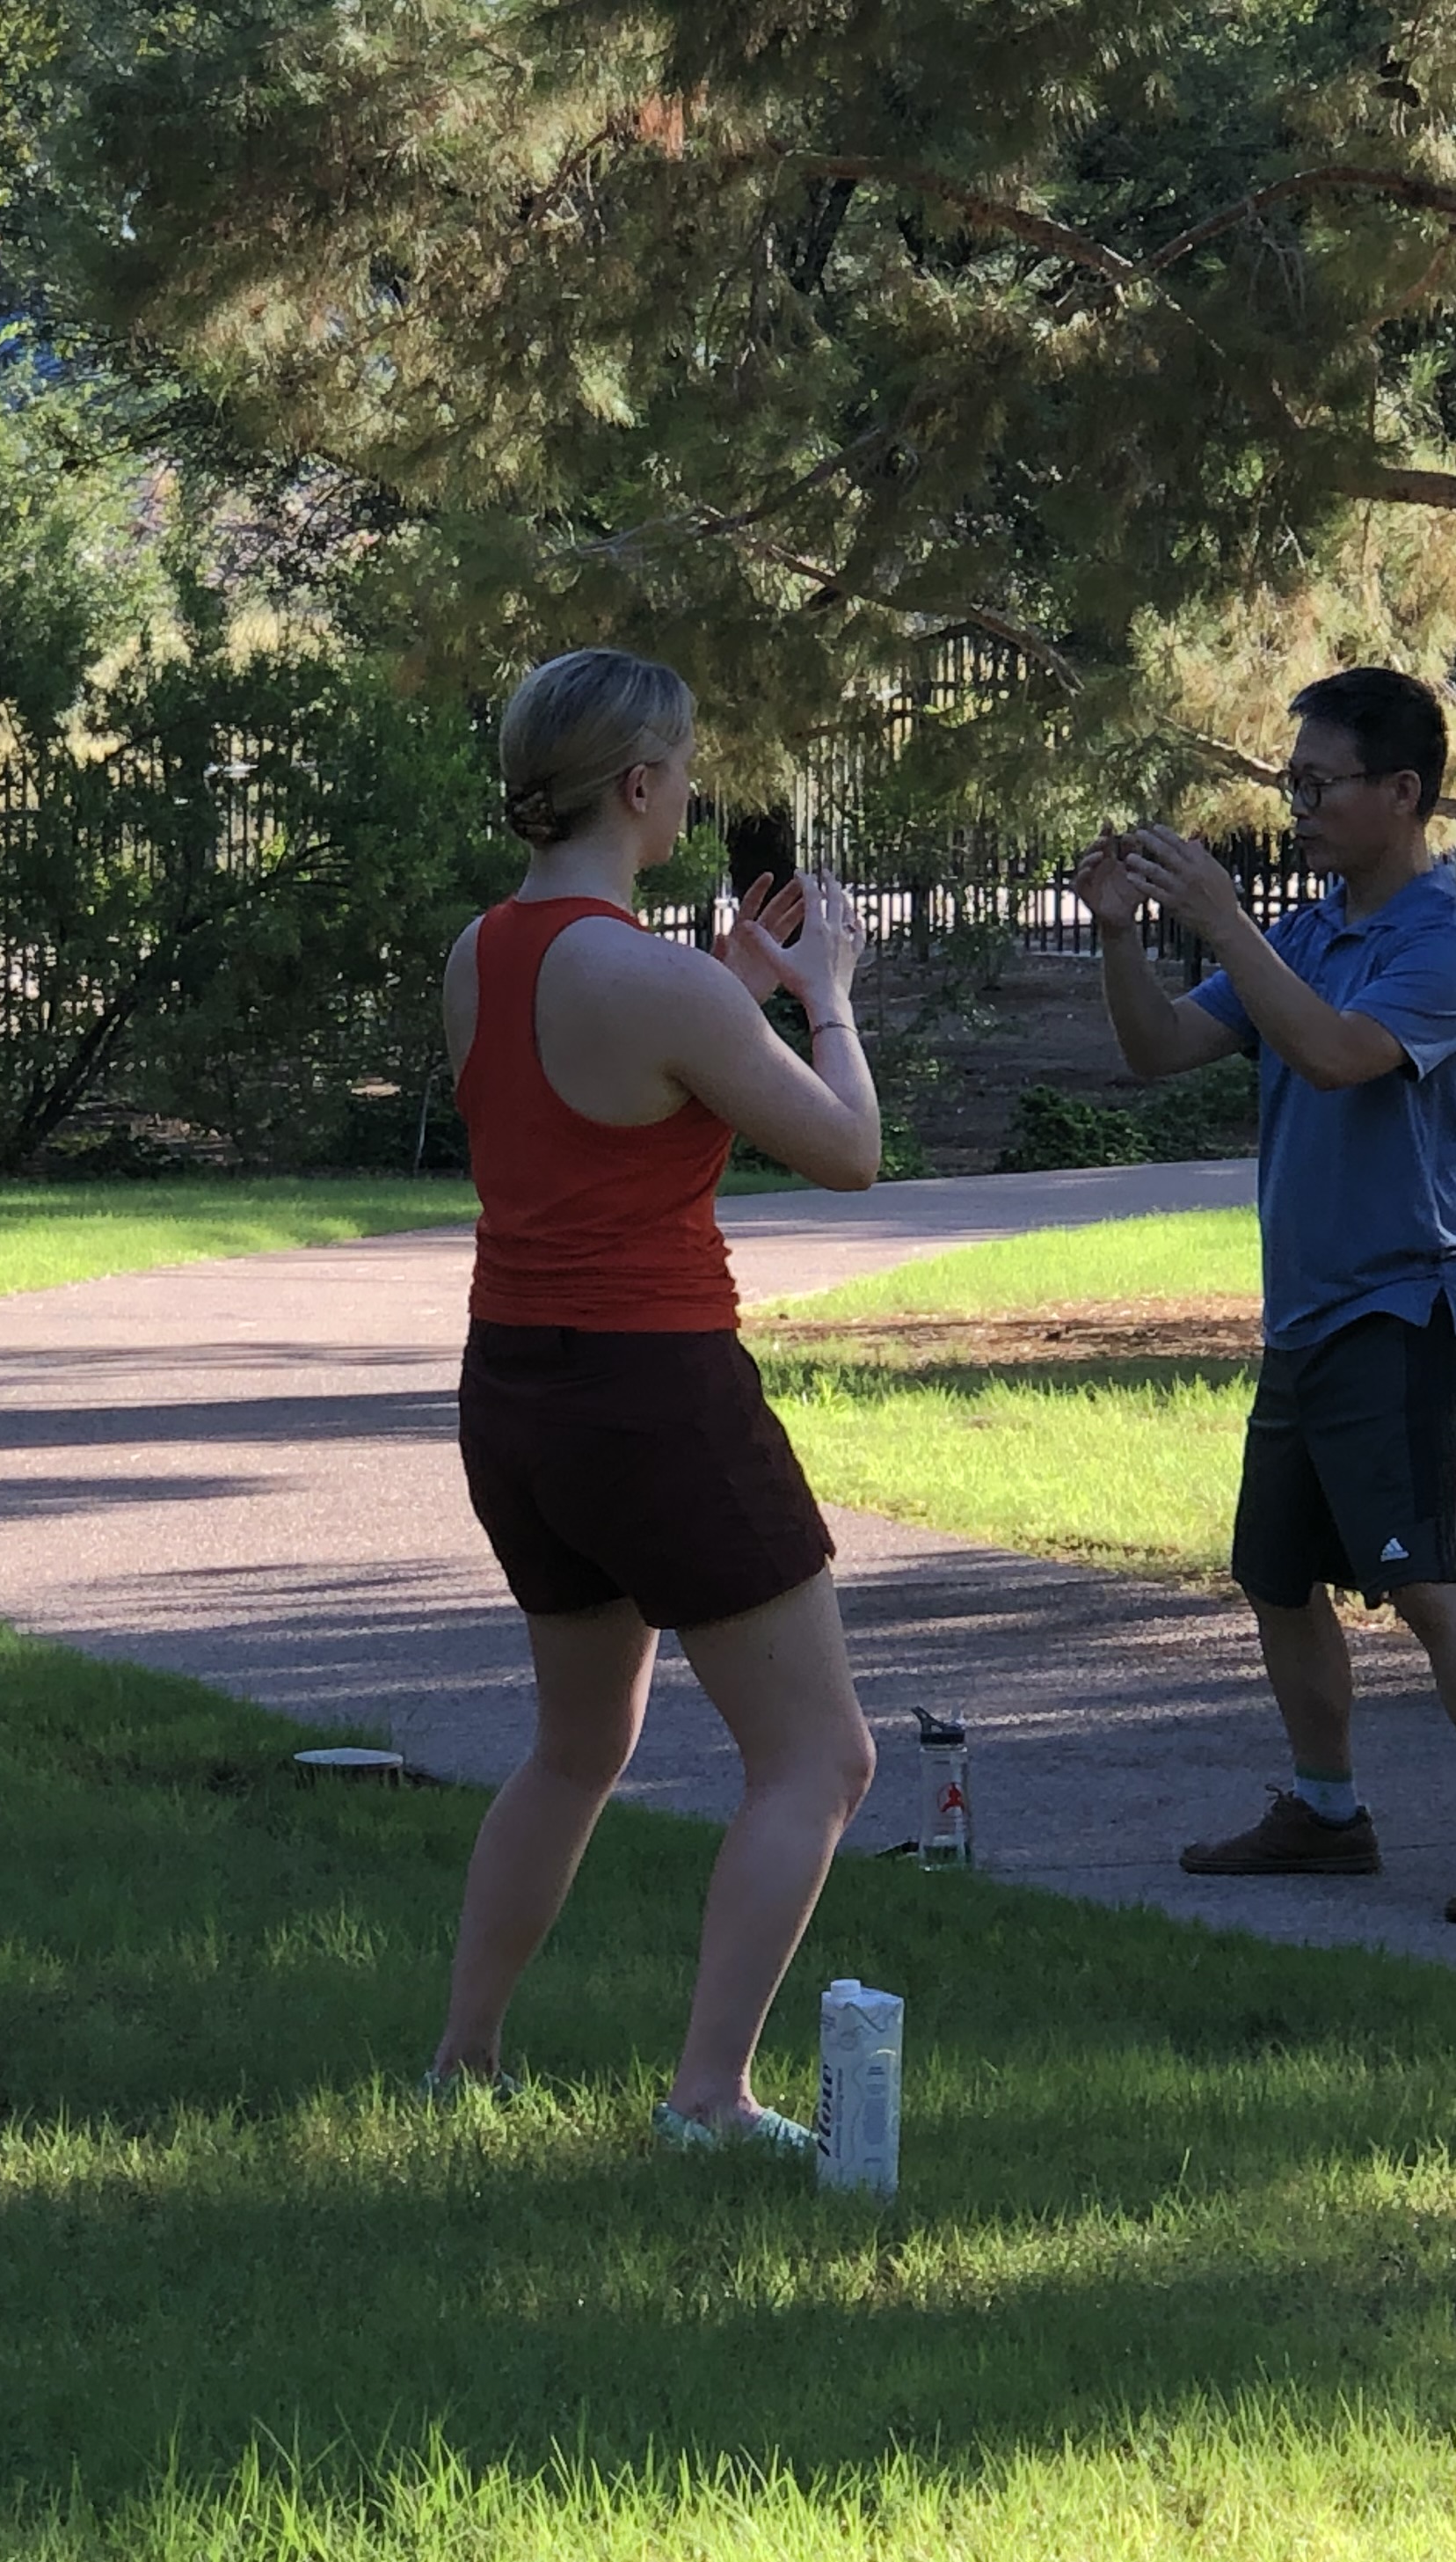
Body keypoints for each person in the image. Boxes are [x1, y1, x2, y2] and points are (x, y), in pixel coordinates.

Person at [425, 647, 885, 2151]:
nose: (695, 789)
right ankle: (709, 2095)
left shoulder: (480, 953)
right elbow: (847, 1152)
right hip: (658, 1388)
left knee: (576, 1746)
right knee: (819, 1757)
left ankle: (464, 2060)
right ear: (638, 787)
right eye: (684, 768)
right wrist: (821, 999)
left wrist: (731, 992)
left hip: (519, 1391)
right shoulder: (663, 981)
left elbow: (604, 1113)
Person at [1068, 664, 1456, 1923]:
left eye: (1319, 783)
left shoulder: (1443, 943)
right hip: (1306, 1317)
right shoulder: (1308, 936)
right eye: (1291, 782)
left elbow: (1343, 1058)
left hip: (1405, 1309)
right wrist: (1126, 936)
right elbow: (1159, 1048)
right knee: (1276, 1575)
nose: (1299, 805)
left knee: (1421, 1578)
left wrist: (1227, 920)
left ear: (1402, 793)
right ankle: (1328, 1813)